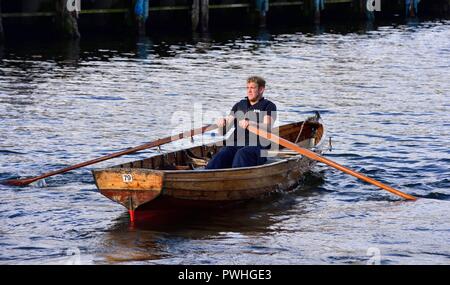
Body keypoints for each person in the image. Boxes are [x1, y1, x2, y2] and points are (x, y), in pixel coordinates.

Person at [205, 76, 277, 169]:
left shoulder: (269, 106)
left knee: (242, 154)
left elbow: (267, 127)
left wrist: (251, 123)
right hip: (236, 144)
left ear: (261, 89)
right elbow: (223, 132)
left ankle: (236, 177)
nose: (249, 91)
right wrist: (221, 124)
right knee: (223, 153)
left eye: (252, 88)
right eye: (247, 88)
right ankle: (207, 174)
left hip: (257, 146)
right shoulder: (239, 105)